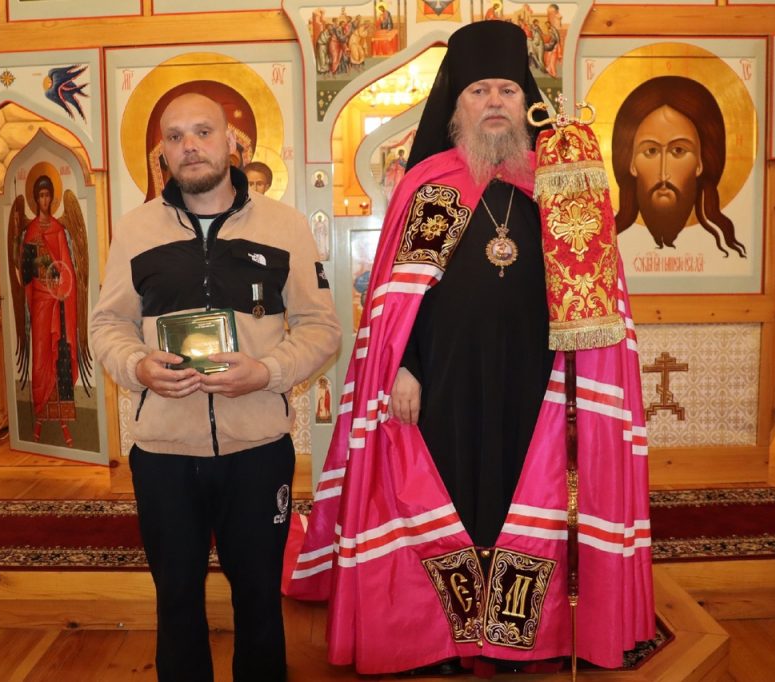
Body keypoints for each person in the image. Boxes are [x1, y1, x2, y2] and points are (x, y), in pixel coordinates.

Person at [286, 21, 653, 675]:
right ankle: (444, 638)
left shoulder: (558, 185)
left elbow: (593, 291)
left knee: (526, 499)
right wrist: (404, 367)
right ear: (456, 105)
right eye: (479, 91)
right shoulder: (429, 185)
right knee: (444, 499)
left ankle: (514, 640)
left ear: (527, 102)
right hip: (443, 381)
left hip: (537, 380)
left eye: (506, 90)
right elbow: (398, 300)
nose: (494, 102)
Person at [90, 92, 340, 682]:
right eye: (175, 136)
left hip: (257, 449)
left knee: (259, 599)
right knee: (176, 599)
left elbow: (321, 328)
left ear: (231, 142)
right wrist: (138, 367)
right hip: (163, 454)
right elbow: (107, 326)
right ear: (162, 152)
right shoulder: (135, 230)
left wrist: (267, 372)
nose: (190, 146)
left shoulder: (285, 225)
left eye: (202, 132)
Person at [612, 75, 746, 257]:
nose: (663, 174)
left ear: (700, 163)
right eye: (651, 151)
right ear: (631, 164)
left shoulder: (722, 252)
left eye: (678, 150)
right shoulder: (608, 248)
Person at [19, 174, 84, 446]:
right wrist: (36, 267)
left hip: (58, 303)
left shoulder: (58, 229)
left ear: (52, 198)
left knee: (60, 359)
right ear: (35, 199)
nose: (44, 201)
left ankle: (63, 422)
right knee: (40, 359)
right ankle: (38, 418)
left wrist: (59, 283)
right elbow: (25, 274)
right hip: (39, 304)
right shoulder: (31, 232)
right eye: (40, 196)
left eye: (47, 196)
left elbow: (67, 268)